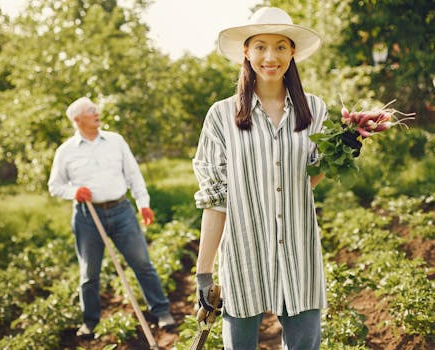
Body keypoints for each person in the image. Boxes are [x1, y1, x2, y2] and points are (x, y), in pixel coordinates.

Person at [192, 7, 361, 349]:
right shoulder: (221, 116)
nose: (271, 57)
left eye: (281, 47)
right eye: (261, 47)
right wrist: (204, 272)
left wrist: (339, 153)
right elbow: (215, 201)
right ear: (246, 51)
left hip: (298, 252)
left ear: (292, 51)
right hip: (243, 253)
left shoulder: (312, 110)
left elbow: (307, 181)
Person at [48, 96, 175, 339]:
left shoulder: (115, 141)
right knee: (89, 274)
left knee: (142, 264)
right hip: (88, 216)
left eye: (95, 109)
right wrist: (73, 191)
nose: (97, 113)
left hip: (121, 211)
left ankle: (162, 313)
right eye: (90, 111)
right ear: (77, 119)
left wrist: (143, 204)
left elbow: (134, 175)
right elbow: (55, 186)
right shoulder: (65, 151)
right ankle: (90, 323)